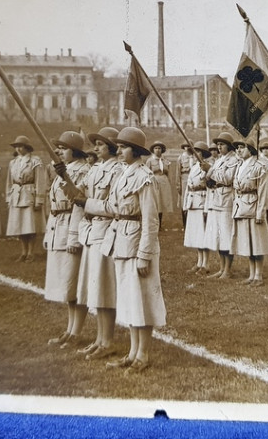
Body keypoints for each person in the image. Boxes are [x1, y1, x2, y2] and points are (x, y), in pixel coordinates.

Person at [103, 127, 167, 374]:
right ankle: (131, 353)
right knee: (129, 300)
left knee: (142, 299)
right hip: (122, 242)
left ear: (136, 151)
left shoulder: (145, 177)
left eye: (123, 147)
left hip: (137, 244)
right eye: (118, 147)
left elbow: (151, 221)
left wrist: (144, 255)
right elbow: (112, 207)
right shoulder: (123, 175)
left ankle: (143, 354)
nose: (118, 151)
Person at [74, 127, 123, 360]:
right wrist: (63, 175)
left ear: (112, 148)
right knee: (96, 289)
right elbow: (77, 193)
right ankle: (100, 339)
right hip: (91, 232)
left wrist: (87, 203)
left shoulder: (118, 171)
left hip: (106, 232)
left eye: (101, 145)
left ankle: (108, 341)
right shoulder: (95, 169)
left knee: (104, 288)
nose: (95, 148)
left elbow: (115, 207)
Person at [44, 131, 91, 349]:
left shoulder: (83, 171)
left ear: (75, 150)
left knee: (74, 283)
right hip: (57, 227)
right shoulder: (64, 170)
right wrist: (48, 232)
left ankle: (76, 331)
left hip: (71, 228)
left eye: (63, 148)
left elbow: (80, 205)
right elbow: (54, 203)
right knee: (66, 285)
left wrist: (75, 237)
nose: (59, 152)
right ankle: (69, 329)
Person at [231, 138, 268, 286]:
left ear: (251, 150)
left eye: (242, 147)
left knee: (257, 242)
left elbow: (262, 191)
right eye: (238, 148)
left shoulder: (259, 166)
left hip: (254, 207)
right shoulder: (239, 166)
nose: (239, 150)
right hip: (241, 207)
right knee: (248, 242)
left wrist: (260, 212)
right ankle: (251, 275)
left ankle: (258, 276)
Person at [203, 132, 240, 279]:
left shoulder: (233, 160)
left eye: (222, 144)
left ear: (229, 146)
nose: (219, 147)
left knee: (226, 235)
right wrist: (208, 176)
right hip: (215, 199)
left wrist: (209, 171)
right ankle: (221, 267)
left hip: (226, 200)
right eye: (218, 144)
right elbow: (212, 178)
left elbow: (227, 178)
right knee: (218, 236)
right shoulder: (219, 160)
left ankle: (227, 270)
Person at [5, 135, 47, 262]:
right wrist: (9, 198)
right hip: (17, 195)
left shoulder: (35, 161)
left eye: (21, 146)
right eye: (16, 146)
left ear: (27, 147)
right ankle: (23, 252)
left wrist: (39, 200)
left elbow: (40, 181)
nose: (18, 149)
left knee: (30, 225)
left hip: (29, 195)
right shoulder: (13, 162)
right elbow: (9, 182)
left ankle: (30, 252)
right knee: (19, 225)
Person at [183, 141, 212, 275]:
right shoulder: (194, 167)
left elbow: (210, 188)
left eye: (198, 152)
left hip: (202, 201)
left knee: (204, 234)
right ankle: (199, 262)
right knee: (196, 234)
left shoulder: (207, 167)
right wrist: (185, 205)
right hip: (193, 202)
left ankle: (205, 264)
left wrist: (207, 208)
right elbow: (189, 187)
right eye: (194, 152)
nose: (195, 155)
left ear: (203, 154)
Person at [145, 141, 173, 230]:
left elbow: (169, 173)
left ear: (162, 150)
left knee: (164, 202)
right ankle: (155, 224)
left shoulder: (166, 160)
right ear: (153, 150)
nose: (157, 150)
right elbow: (147, 173)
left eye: (159, 148)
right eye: (156, 148)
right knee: (156, 203)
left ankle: (162, 224)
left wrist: (170, 182)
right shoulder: (150, 160)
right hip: (154, 182)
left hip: (164, 182)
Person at [175, 142, 194, 229]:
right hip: (184, 177)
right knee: (184, 201)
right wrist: (178, 184)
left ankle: (193, 223)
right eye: (186, 146)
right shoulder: (181, 157)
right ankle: (185, 224)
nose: (188, 148)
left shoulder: (195, 157)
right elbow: (178, 172)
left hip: (194, 178)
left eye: (189, 146)